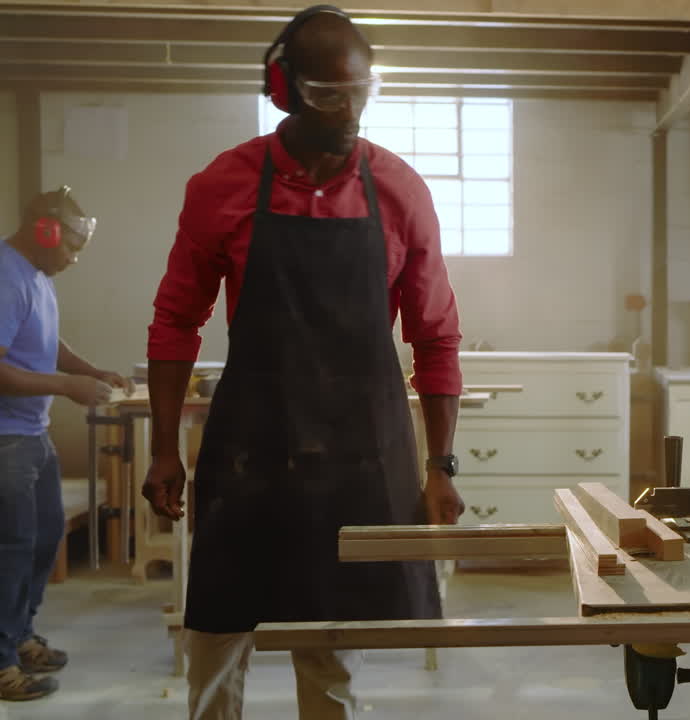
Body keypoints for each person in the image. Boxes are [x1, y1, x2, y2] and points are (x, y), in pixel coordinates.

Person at [141, 6, 464, 719]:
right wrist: (165, 449)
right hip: (251, 450)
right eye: (327, 95)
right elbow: (175, 321)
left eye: (360, 92)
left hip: (355, 453)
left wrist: (440, 466)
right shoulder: (222, 186)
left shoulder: (400, 191)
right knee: (220, 632)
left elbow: (436, 335)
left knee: (332, 638)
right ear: (282, 87)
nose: (347, 112)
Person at [1, 186, 133, 701]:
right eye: (71, 248)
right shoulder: (5, 275)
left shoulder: (35, 274)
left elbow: (44, 341)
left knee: (42, 539)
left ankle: (19, 634)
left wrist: (87, 370)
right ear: (46, 231)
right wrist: (66, 386)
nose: (74, 259)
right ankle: (0, 660)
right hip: (6, 439)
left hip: (32, 433)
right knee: (11, 551)